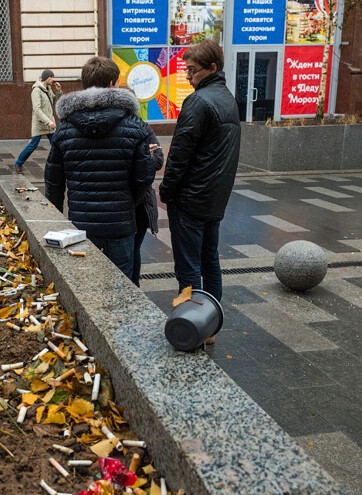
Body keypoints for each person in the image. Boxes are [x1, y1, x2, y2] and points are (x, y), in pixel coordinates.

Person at [44, 56, 156, 280]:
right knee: (123, 287)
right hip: (121, 224)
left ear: (84, 84)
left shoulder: (65, 129)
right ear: (114, 84)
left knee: (87, 284)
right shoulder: (134, 125)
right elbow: (145, 177)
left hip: (82, 223)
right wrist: (127, 200)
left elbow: (53, 182)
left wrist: (56, 220)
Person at [158, 39, 240, 334]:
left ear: (212, 68)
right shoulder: (227, 98)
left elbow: (180, 153)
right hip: (214, 198)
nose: (188, 76)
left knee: (189, 266)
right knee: (210, 260)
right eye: (186, 70)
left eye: (192, 70)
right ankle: (211, 323)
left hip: (191, 198)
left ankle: (190, 324)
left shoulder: (198, 101)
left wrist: (166, 190)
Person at [132, 124, 165, 286]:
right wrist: (145, 153)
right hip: (119, 203)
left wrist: (142, 156)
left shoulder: (143, 128)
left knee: (134, 248)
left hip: (141, 204)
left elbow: (158, 160)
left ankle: (134, 287)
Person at [14, 69, 62, 174]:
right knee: (33, 145)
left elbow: (54, 102)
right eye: (52, 77)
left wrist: (58, 91)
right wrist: (47, 121)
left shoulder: (48, 88)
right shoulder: (36, 90)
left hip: (50, 122)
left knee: (55, 143)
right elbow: (37, 109)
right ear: (47, 78)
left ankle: (59, 165)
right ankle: (18, 163)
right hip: (40, 123)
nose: (53, 80)